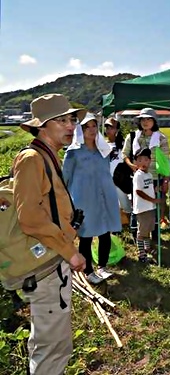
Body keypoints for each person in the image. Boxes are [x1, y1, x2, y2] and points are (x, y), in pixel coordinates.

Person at [14, 93, 86, 374]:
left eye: (72, 120)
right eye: (62, 120)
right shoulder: (32, 159)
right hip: (45, 265)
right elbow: (30, 218)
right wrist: (71, 252)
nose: (71, 126)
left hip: (52, 261)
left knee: (57, 344)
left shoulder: (47, 156)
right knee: (50, 347)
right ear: (42, 126)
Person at [63, 113, 122, 284]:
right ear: (80, 130)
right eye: (86, 126)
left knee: (105, 231)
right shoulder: (73, 153)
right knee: (86, 235)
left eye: (94, 126)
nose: (91, 130)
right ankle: (88, 270)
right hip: (84, 199)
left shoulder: (103, 150)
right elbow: (64, 178)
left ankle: (102, 266)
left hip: (104, 196)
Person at [122, 108, 170, 240]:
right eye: (143, 119)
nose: (145, 122)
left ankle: (154, 235)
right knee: (137, 205)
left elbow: (166, 161)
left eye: (148, 119)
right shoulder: (132, 136)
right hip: (138, 178)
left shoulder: (161, 138)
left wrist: (166, 180)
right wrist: (131, 165)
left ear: (154, 121)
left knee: (154, 207)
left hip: (156, 177)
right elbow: (125, 154)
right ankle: (136, 235)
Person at [132, 148, 163, 263]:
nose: (143, 163)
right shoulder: (138, 175)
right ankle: (141, 254)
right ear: (135, 162)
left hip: (150, 207)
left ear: (150, 161)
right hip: (143, 208)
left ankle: (147, 248)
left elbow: (148, 188)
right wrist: (153, 200)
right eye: (139, 160)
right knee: (142, 232)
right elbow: (139, 191)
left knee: (148, 229)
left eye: (145, 160)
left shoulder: (149, 174)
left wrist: (156, 189)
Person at [104, 117, 132, 216]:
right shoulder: (102, 145)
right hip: (107, 178)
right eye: (107, 127)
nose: (108, 130)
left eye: (111, 128)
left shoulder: (124, 144)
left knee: (124, 203)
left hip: (120, 179)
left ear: (117, 129)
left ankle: (129, 218)